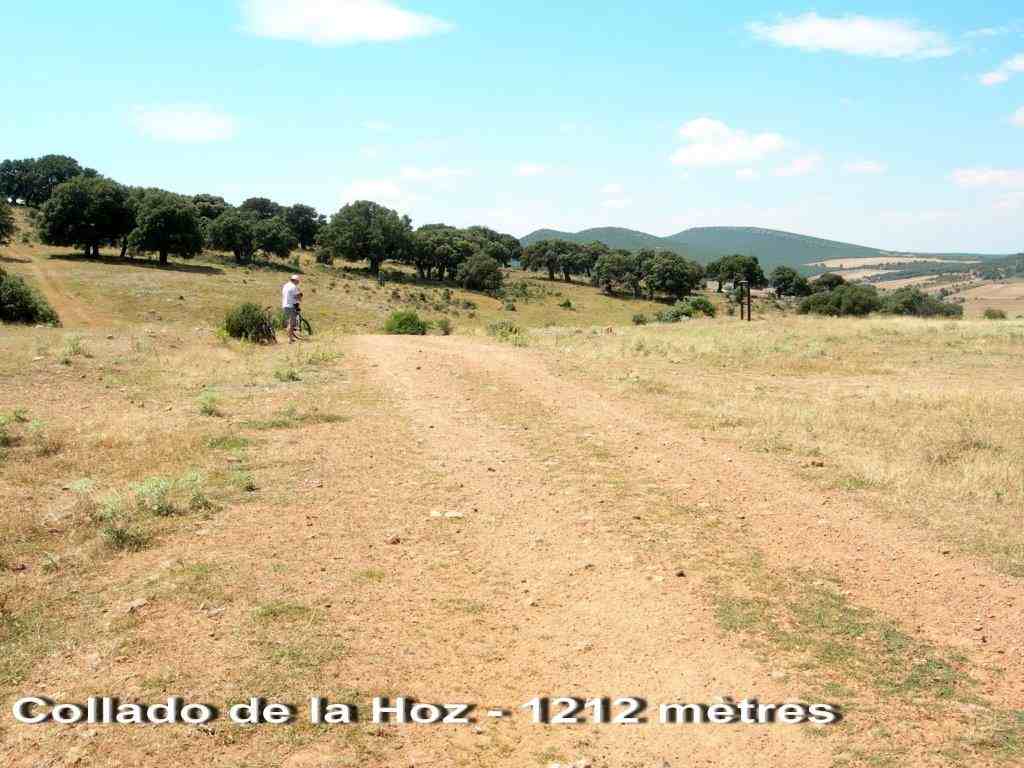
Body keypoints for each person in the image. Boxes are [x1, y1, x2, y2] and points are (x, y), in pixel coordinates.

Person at [281, 275, 300, 343]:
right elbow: (297, 296)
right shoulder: (293, 287)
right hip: (291, 306)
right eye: (298, 281)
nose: (298, 282)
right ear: (295, 280)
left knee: (289, 322)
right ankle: (289, 339)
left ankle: (290, 337)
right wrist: (300, 296)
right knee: (291, 323)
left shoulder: (285, 285)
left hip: (284, 305)